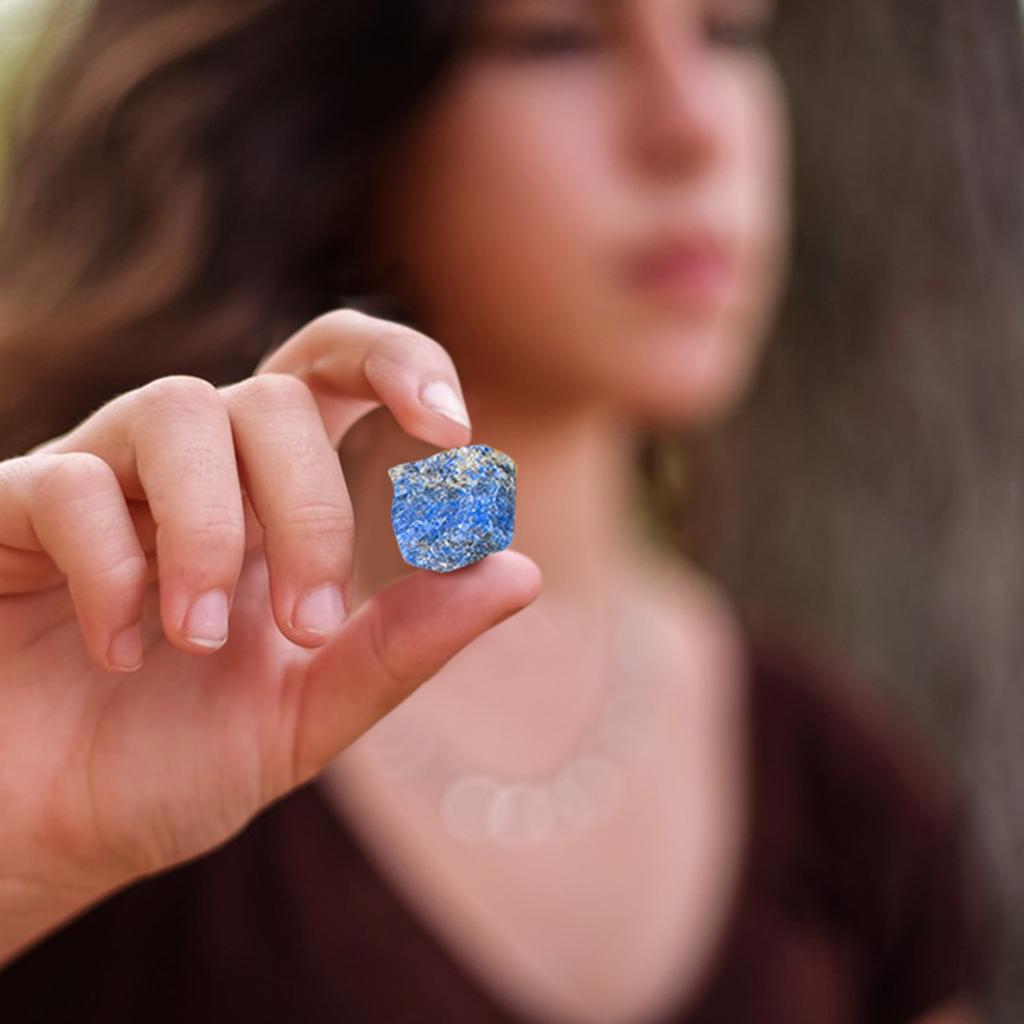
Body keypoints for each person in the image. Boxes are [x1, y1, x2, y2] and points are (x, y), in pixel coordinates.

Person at [0, 0, 996, 1021]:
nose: (692, 125)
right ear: (345, 117)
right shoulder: (104, 696)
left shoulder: (848, 787)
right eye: (558, 37)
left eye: (729, 33)